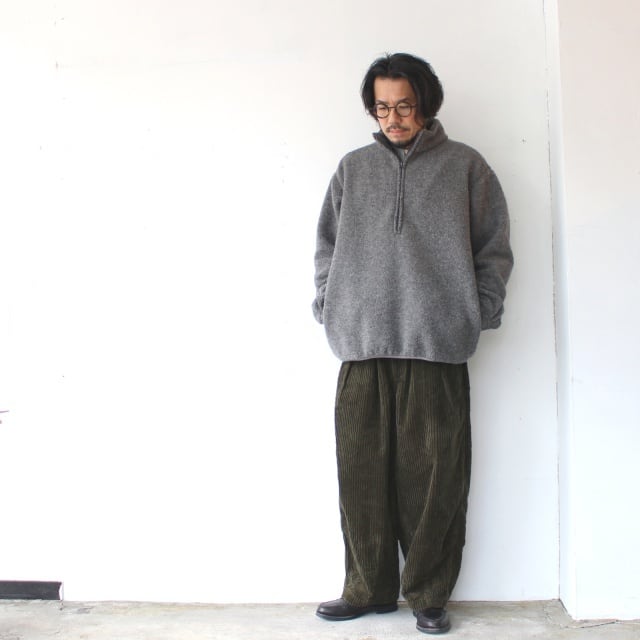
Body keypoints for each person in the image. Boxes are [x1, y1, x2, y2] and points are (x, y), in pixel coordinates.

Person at [311, 53, 513, 635]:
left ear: (426, 103)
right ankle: (367, 588)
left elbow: (494, 248)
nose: (393, 118)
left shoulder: (466, 166)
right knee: (360, 476)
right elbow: (326, 245)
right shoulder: (353, 169)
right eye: (382, 108)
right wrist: (328, 302)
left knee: (436, 480)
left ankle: (428, 593)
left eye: (404, 106)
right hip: (361, 342)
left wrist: (478, 312)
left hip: (437, 344)